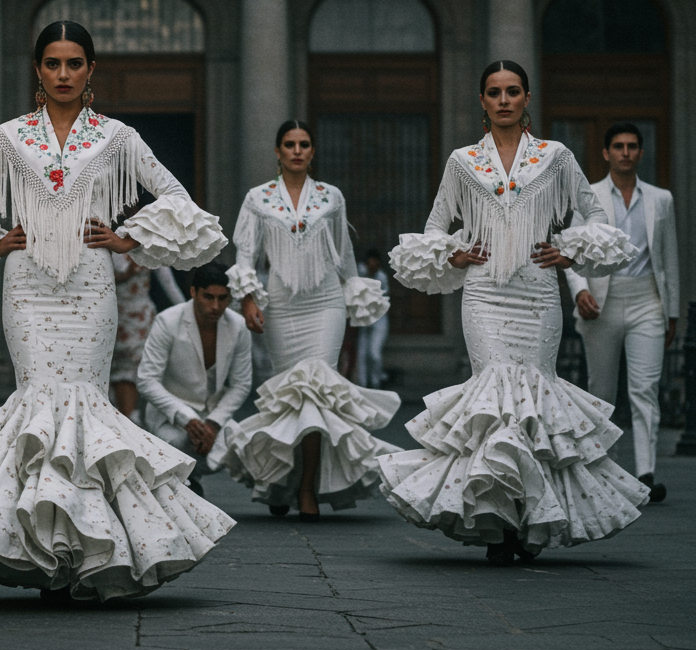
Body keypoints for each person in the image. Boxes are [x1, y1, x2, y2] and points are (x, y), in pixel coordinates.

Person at [0, 21, 233, 601]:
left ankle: (78, 553)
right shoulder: (8, 137)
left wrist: (127, 240)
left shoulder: (116, 137)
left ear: (91, 71)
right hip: (28, 289)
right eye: (53, 64)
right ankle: (41, 552)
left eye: (75, 63)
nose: (63, 74)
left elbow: (176, 197)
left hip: (91, 288)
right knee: (38, 405)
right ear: (37, 70)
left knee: (86, 408)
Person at [381, 61, 650, 565]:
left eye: (512, 91)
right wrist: (454, 255)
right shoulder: (463, 161)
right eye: (493, 92)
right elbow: (436, 226)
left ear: (527, 98)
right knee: (496, 396)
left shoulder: (556, 157)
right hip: (483, 294)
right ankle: (500, 523)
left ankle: (531, 518)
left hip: (538, 294)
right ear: (482, 102)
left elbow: (594, 215)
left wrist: (568, 252)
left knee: (534, 401)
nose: (504, 100)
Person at [220, 121, 400, 521]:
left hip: (325, 304)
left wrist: (355, 292)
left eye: (304, 145)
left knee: (316, 390)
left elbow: (345, 252)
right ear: (277, 151)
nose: (297, 151)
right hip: (283, 306)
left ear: (313, 152)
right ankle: (282, 480)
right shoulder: (257, 199)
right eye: (289, 144)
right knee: (290, 398)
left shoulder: (331, 197)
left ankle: (307, 489)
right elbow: (246, 255)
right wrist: (248, 300)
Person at [566, 122, 679, 504]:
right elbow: (570, 251)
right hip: (603, 300)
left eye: (632, 146)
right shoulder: (590, 196)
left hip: (648, 297)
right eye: (618, 146)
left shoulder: (660, 199)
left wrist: (672, 311)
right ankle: (604, 468)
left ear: (640, 153)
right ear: (606, 153)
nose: (625, 152)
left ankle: (646, 474)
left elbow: (669, 258)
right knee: (601, 391)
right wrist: (580, 290)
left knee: (644, 389)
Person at [136, 262, 253, 498]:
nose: (215, 306)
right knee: (177, 442)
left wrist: (213, 423)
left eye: (223, 298)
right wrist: (186, 418)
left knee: (247, 447)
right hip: (170, 418)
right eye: (208, 297)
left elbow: (241, 384)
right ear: (193, 292)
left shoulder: (238, 326)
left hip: (211, 414)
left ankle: (188, 477)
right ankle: (177, 479)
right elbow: (146, 380)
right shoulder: (167, 321)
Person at [110, 248, 185, 420]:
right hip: (114, 315)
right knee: (116, 368)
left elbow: (168, 284)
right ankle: (123, 416)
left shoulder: (150, 246)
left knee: (139, 367)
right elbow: (120, 268)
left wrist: (186, 312)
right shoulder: (110, 246)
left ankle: (132, 416)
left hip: (140, 318)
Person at [354, 249, 391, 389]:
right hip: (363, 319)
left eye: (375, 263)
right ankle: (363, 384)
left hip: (379, 319)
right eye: (370, 263)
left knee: (374, 353)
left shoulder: (382, 278)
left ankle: (376, 382)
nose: (372, 265)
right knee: (362, 354)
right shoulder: (361, 272)